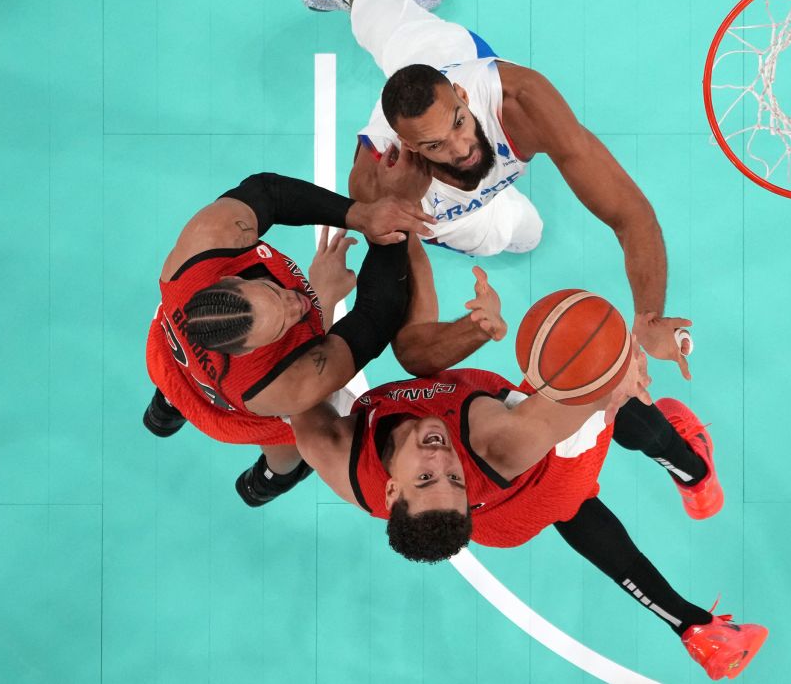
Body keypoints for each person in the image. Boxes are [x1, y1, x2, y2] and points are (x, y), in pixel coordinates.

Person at [289, 266, 763, 679]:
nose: (441, 462)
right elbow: (594, 387)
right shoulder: (499, 443)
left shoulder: (331, 451)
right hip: (544, 466)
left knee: (566, 508)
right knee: (590, 381)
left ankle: (696, 630)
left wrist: (326, 296)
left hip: (502, 523)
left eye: (431, 479)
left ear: (391, 491)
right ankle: (693, 471)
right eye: (449, 478)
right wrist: (631, 355)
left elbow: (302, 384)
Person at [298, 0, 696, 379]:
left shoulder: (520, 101)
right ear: (411, 147)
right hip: (445, 210)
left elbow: (630, 213)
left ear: (464, 97)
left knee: (395, 30)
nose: (462, 149)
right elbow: (412, 349)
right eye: (436, 145)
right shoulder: (383, 193)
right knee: (522, 234)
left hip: (445, 56)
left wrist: (648, 314)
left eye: (459, 124)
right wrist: (475, 329)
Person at [141, 170, 438, 507]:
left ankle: (163, 412)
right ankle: (268, 482)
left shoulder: (208, 241)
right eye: (283, 325)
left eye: (274, 292)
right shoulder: (284, 387)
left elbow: (269, 193)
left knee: (176, 376)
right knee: (290, 437)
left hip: (170, 360)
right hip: (231, 415)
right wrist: (328, 292)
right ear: (247, 351)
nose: (296, 305)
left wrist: (364, 215)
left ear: (232, 278)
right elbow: (376, 317)